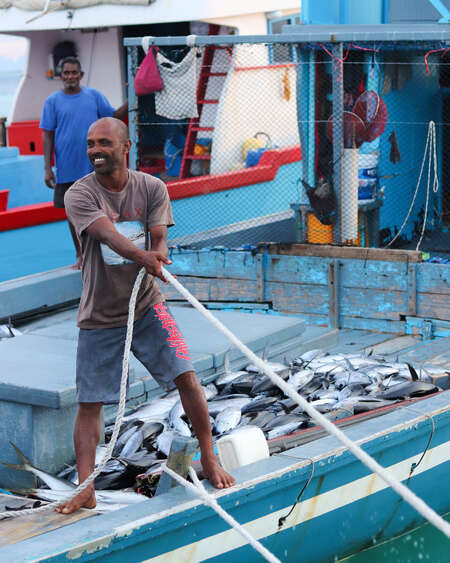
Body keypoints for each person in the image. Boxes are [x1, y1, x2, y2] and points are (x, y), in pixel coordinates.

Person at [58, 117, 235, 514]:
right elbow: (107, 235)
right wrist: (145, 256)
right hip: (99, 312)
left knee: (186, 376)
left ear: (126, 147)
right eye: (90, 144)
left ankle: (208, 457)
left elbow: (159, 236)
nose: (94, 150)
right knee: (90, 403)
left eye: (103, 142)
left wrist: (159, 252)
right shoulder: (79, 195)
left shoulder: (152, 188)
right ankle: (86, 487)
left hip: (148, 305)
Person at [40, 57, 128, 269]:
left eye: (73, 73)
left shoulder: (94, 96)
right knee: (73, 214)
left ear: (80, 75)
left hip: (97, 165)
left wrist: (134, 96)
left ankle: (112, 251)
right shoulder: (52, 102)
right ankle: (81, 255)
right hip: (67, 169)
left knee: (105, 208)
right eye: (66, 73)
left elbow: (114, 116)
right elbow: (47, 135)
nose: (70, 76)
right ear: (61, 76)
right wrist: (47, 168)